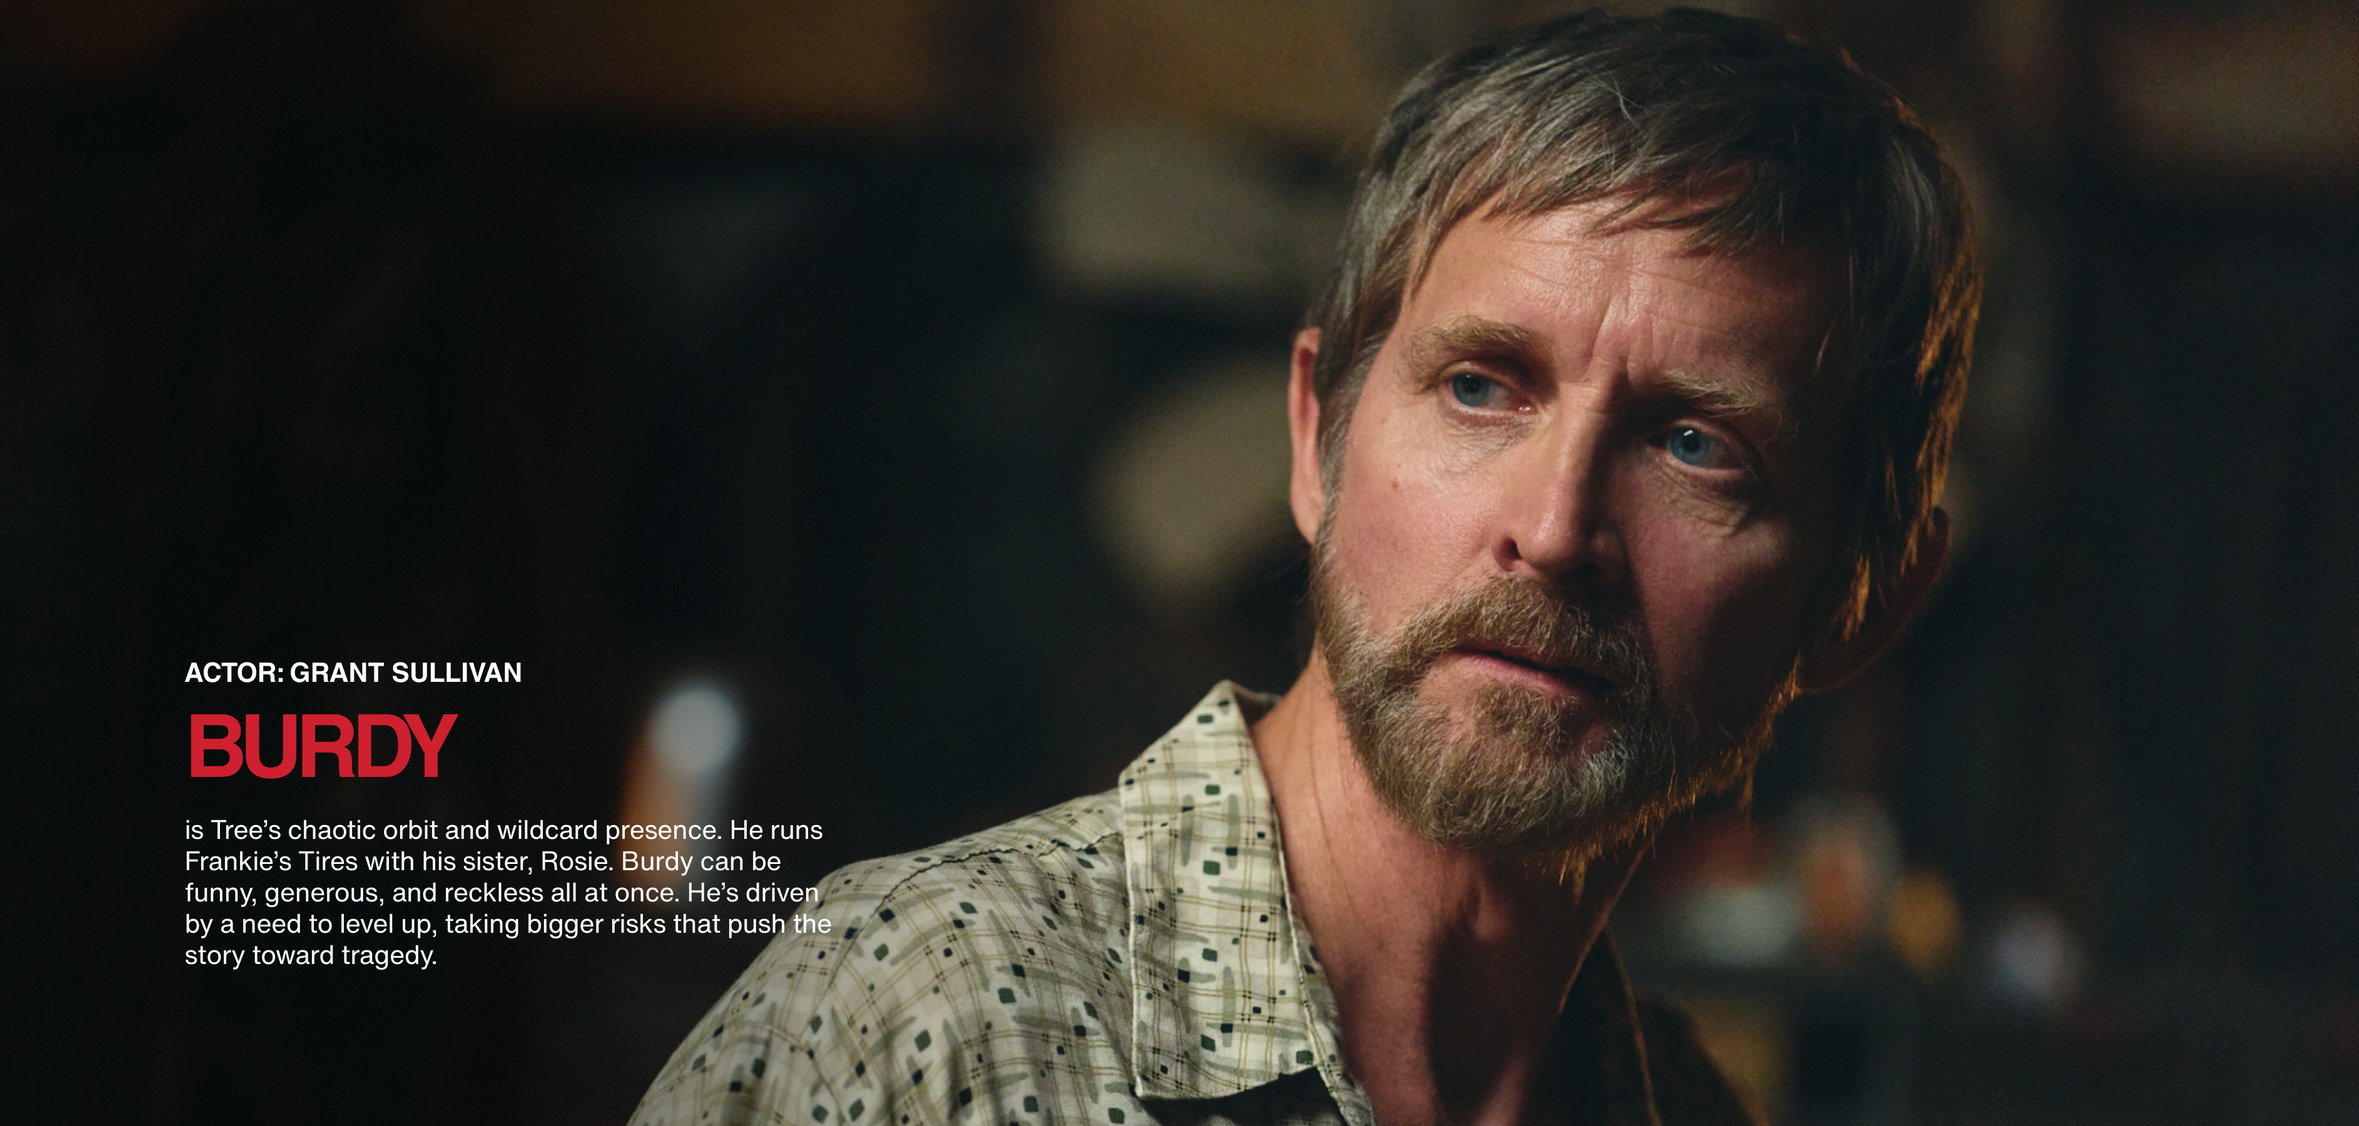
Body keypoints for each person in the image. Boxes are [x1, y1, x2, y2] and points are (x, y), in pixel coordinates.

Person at [632, 8, 1977, 1126]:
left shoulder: (1681, 1108)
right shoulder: (934, 1019)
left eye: (1696, 444)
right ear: (1314, 439)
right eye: (1479, 385)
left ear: (1869, 601)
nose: (1555, 526)